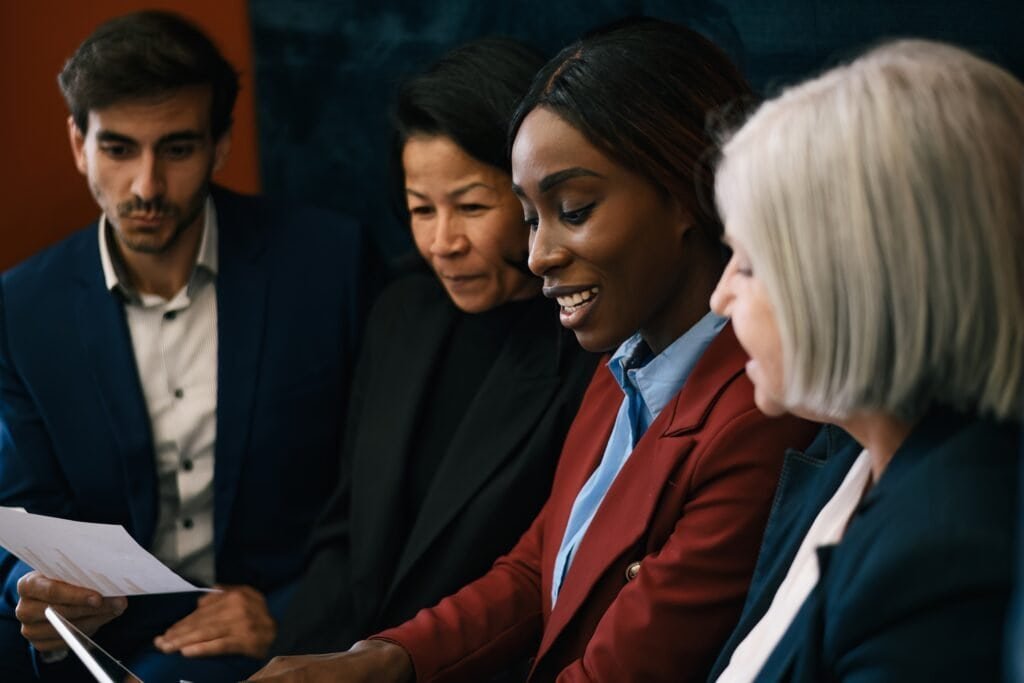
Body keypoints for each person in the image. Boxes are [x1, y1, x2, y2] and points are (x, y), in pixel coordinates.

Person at [251, 19, 818, 683]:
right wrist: (381, 659)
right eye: (529, 216)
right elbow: (536, 566)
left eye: (573, 208)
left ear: (687, 192)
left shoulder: (756, 413)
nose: (537, 254)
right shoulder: (621, 361)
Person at [0, 10, 366, 682]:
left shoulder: (329, 265)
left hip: (277, 638)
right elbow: (23, 509)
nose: (145, 187)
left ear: (220, 144)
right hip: (98, 648)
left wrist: (292, 612)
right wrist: (38, 591)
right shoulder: (21, 308)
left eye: (176, 148)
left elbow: (374, 491)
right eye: (117, 149)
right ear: (78, 142)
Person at [261, 38, 598, 660]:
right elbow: (345, 536)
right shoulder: (401, 313)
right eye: (421, 209)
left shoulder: (591, 348)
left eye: (471, 206)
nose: (443, 242)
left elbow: (540, 588)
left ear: (535, 196)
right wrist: (302, 663)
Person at [706, 39, 1024, 681]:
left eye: (747, 263)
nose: (719, 300)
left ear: (852, 283)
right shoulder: (848, 458)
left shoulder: (945, 551)